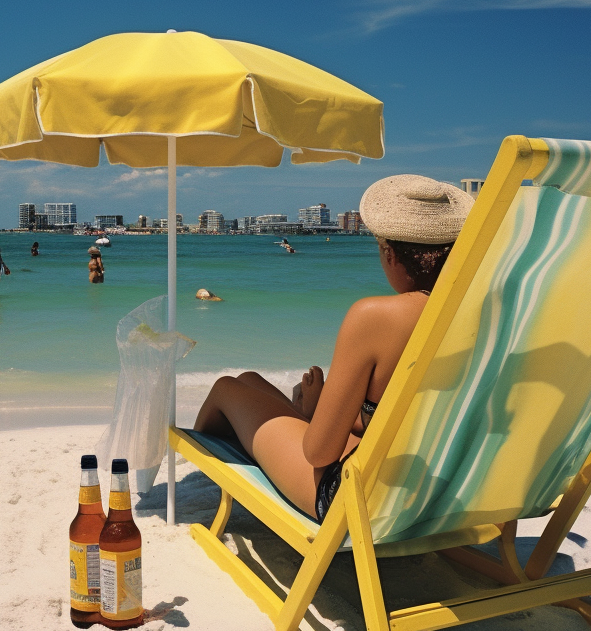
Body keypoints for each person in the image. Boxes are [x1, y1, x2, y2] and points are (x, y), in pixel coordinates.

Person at [193, 175, 472, 520]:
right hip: (449, 486)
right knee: (249, 379)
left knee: (226, 388)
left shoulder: (376, 317)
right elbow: (413, 414)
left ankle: (207, 488)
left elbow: (319, 454)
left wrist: (313, 413)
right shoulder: (489, 312)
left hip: (365, 499)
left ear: (390, 254)